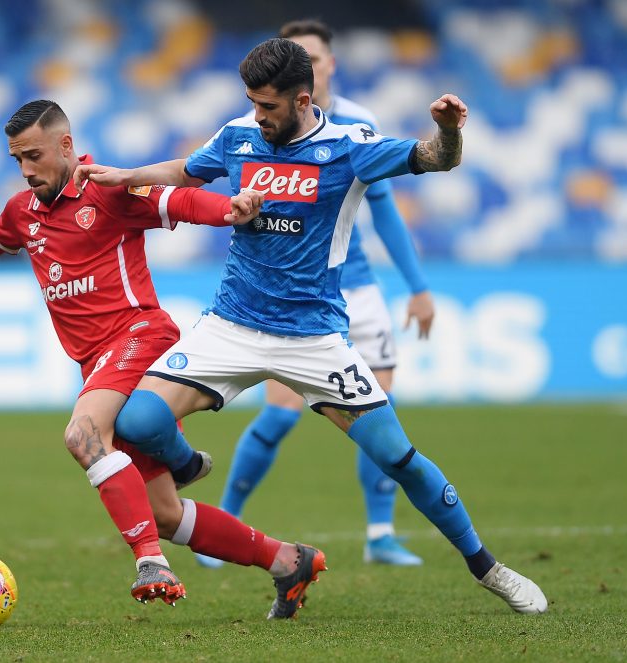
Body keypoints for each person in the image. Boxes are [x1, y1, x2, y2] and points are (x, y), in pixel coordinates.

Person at [75, 39, 548, 614]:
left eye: (268, 106)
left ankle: (488, 567)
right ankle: (188, 464)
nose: (257, 116)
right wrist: (125, 176)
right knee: (138, 419)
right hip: (232, 323)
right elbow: (186, 171)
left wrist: (450, 131)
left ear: (302, 100)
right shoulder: (239, 135)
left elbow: (437, 158)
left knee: (398, 458)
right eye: (251, 102)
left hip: (313, 337)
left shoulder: (349, 148)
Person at [0, 99, 326, 618]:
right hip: (99, 362)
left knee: (83, 435)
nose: (26, 170)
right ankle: (287, 560)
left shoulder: (108, 189)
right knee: (165, 514)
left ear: (66, 146)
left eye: (34, 156)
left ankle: (150, 562)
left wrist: (229, 210)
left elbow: (175, 202)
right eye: (17, 159)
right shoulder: (24, 214)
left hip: (140, 334)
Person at [197, 19, 434, 570]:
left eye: (316, 56)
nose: (311, 63)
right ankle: (225, 525)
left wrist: (418, 286)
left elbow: (383, 208)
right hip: (294, 301)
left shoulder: (359, 126)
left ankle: (380, 534)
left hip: (359, 287)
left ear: (328, 65)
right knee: (279, 417)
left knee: (381, 417)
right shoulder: (257, 129)